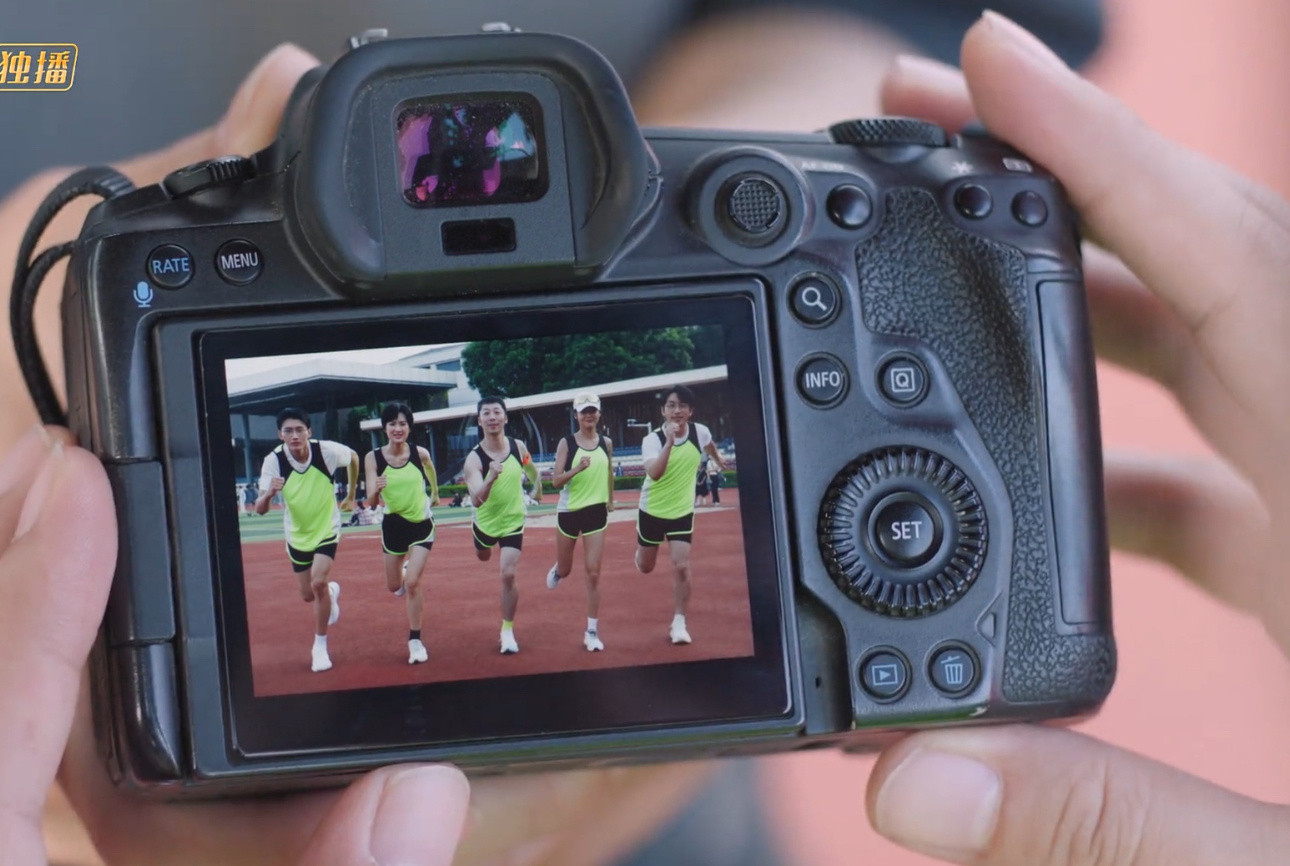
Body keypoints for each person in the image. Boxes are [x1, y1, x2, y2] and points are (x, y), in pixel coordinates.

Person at [23, 13, 1290, 866]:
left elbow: (876, 8)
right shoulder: (350, 457)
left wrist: (768, 217)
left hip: (662, 813)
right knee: (360, 584)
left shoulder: (589, 444)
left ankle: (532, 626)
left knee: (578, 572)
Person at [254, 408, 358, 673]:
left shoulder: (326, 451)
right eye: (288, 430)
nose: (294, 435)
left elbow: (354, 457)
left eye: (300, 429)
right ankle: (331, 594)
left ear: (309, 432)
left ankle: (319, 646)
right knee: (307, 595)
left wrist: (351, 494)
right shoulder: (273, 462)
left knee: (318, 582)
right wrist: (269, 494)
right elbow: (260, 509)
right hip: (297, 535)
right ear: (280, 435)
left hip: (327, 528)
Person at [634, 385, 727, 645]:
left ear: (690, 411)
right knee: (646, 567)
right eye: (672, 405)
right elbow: (654, 473)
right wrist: (670, 444)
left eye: (682, 406)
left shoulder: (700, 431)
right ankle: (640, 551)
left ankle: (679, 622)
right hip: (652, 510)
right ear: (663, 411)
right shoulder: (652, 440)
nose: (677, 410)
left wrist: (718, 459)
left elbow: (708, 445)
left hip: (682, 511)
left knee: (682, 566)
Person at [462, 396, 541, 654]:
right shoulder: (473, 460)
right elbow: (477, 499)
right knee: (483, 556)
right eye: (487, 413)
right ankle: (480, 543)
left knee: (507, 574)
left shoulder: (518, 447)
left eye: (497, 412)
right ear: (480, 421)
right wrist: (492, 477)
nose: (492, 417)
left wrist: (537, 486)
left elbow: (531, 469)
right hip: (485, 524)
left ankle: (507, 630)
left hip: (512, 521)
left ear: (505, 418)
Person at [364, 402, 440, 665]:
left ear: (409, 427)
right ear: (385, 427)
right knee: (394, 586)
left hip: (421, 524)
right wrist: (376, 489)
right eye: (393, 423)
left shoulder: (420, 454)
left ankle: (415, 640)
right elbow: (371, 503)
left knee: (412, 584)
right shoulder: (373, 458)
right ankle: (405, 572)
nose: (398, 428)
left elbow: (430, 470)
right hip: (393, 526)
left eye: (403, 423)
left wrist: (436, 493)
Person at [545, 392, 616, 651]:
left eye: (592, 410)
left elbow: (608, 470)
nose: (589, 415)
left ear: (599, 413)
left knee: (594, 573)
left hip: (596, 512)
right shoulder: (567, 443)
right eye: (583, 411)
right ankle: (558, 570)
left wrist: (610, 498)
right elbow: (555, 481)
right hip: (569, 512)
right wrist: (577, 469)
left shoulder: (606, 442)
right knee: (566, 569)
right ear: (576, 415)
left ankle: (592, 631)